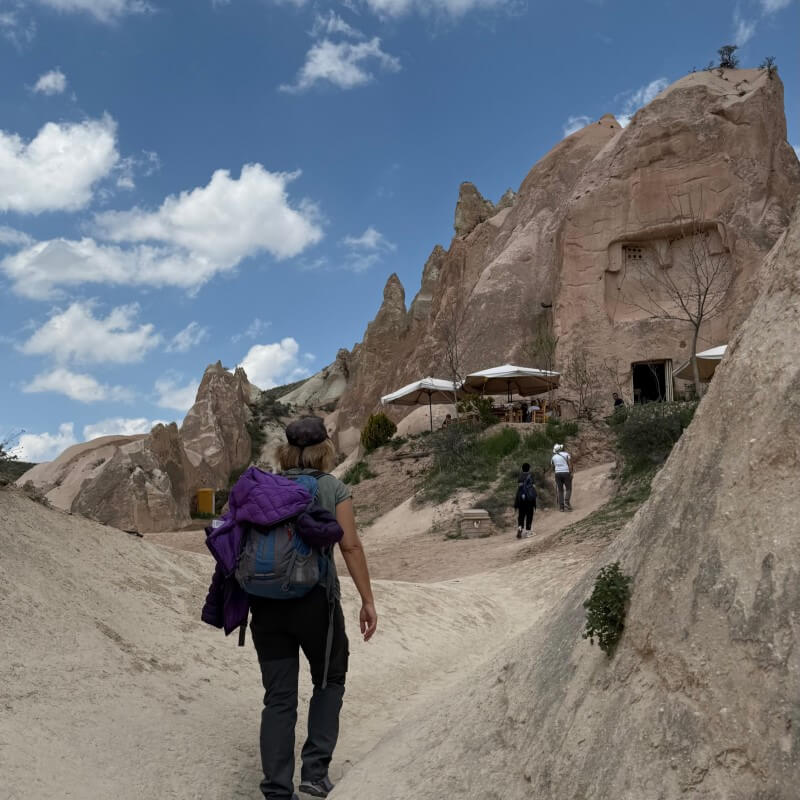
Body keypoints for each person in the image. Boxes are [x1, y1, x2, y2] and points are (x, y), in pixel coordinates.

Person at [232, 417, 377, 800]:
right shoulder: (332, 487)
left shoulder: (265, 486)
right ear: (324, 450)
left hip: (265, 606)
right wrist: (367, 600)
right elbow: (350, 546)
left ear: (285, 451)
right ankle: (314, 773)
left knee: (278, 697)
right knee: (329, 680)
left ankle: (277, 789)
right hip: (316, 603)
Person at [513, 462, 537, 538]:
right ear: (529, 469)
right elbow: (533, 487)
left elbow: (519, 488)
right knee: (529, 515)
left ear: (522, 469)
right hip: (529, 499)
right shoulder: (531, 476)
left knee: (521, 515)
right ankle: (528, 532)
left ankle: (520, 527)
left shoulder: (520, 476)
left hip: (521, 499)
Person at [551, 443, 574, 512]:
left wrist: (555, 472)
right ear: (561, 449)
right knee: (568, 488)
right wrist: (571, 472)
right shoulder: (566, 454)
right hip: (566, 472)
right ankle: (566, 502)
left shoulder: (553, 457)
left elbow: (552, 467)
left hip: (557, 474)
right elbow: (570, 464)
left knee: (560, 490)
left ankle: (561, 507)